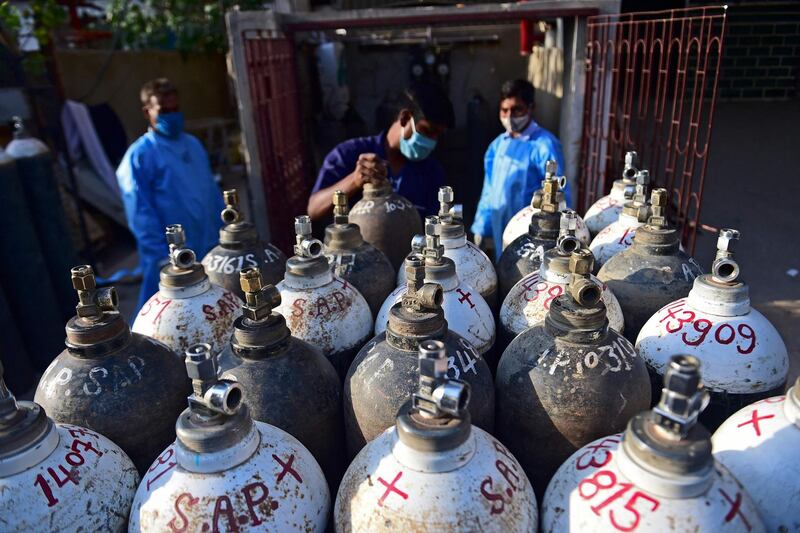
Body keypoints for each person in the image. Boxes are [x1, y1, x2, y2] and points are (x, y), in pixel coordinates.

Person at [116, 78, 224, 314]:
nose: (172, 116)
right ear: (147, 112)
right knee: (164, 317)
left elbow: (209, 190)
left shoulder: (193, 144)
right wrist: (160, 255)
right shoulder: (140, 155)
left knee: (210, 310)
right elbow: (139, 212)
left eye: (176, 109)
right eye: (165, 111)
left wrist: (223, 230)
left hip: (208, 243)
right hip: (170, 255)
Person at [307, 82, 455, 221]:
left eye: (437, 136)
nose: (431, 142)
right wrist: (354, 181)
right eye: (427, 131)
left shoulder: (432, 172)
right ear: (404, 118)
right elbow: (313, 210)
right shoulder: (347, 154)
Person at [471, 79, 567, 261]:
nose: (509, 116)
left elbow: (559, 193)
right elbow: (489, 191)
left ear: (531, 107)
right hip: (501, 229)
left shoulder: (544, 145)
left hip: (534, 233)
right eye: (504, 110)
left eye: (517, 110)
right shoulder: (497, 145)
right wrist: (481, 226)